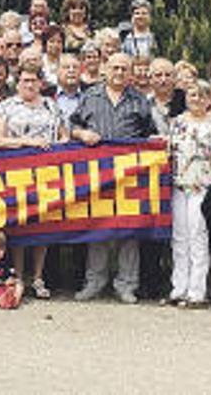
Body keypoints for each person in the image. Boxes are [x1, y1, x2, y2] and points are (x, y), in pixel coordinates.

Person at [71, 53, 157, 303]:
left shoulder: (139, 100)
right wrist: (82, 133)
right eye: (115, 67)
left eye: (124, 68)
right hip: (97, 173)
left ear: (130, 73)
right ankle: (95, 281)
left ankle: (126, 284)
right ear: (105, 70)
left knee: (129, 229)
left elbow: (149, 134)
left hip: (130, 175)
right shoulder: (89, 97)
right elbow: (72, 126)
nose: (119, 72)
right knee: (97, 226)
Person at [0, 63, 66, 299]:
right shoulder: (7, 106)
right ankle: (18, 275)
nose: (29, 84)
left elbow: (64, 135)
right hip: (15, 171)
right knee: (19, 223)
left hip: (46, 173)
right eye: (25, 80)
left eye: (34, 80)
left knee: (42, 223)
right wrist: (26, 142)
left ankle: (38, 277)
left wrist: (57, 147)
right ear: (17, 82)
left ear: (41, 83)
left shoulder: (51, 105)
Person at [167, 80, 211, 307]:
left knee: (198, 237)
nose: (197, 99)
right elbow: (168, 150)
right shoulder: (177, 122)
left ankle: (197, 290)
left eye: (202, 95)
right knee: (179, 238)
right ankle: (178, 288)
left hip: (202, 187)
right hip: (178, 185)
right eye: (193, 95)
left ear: (208, 99)